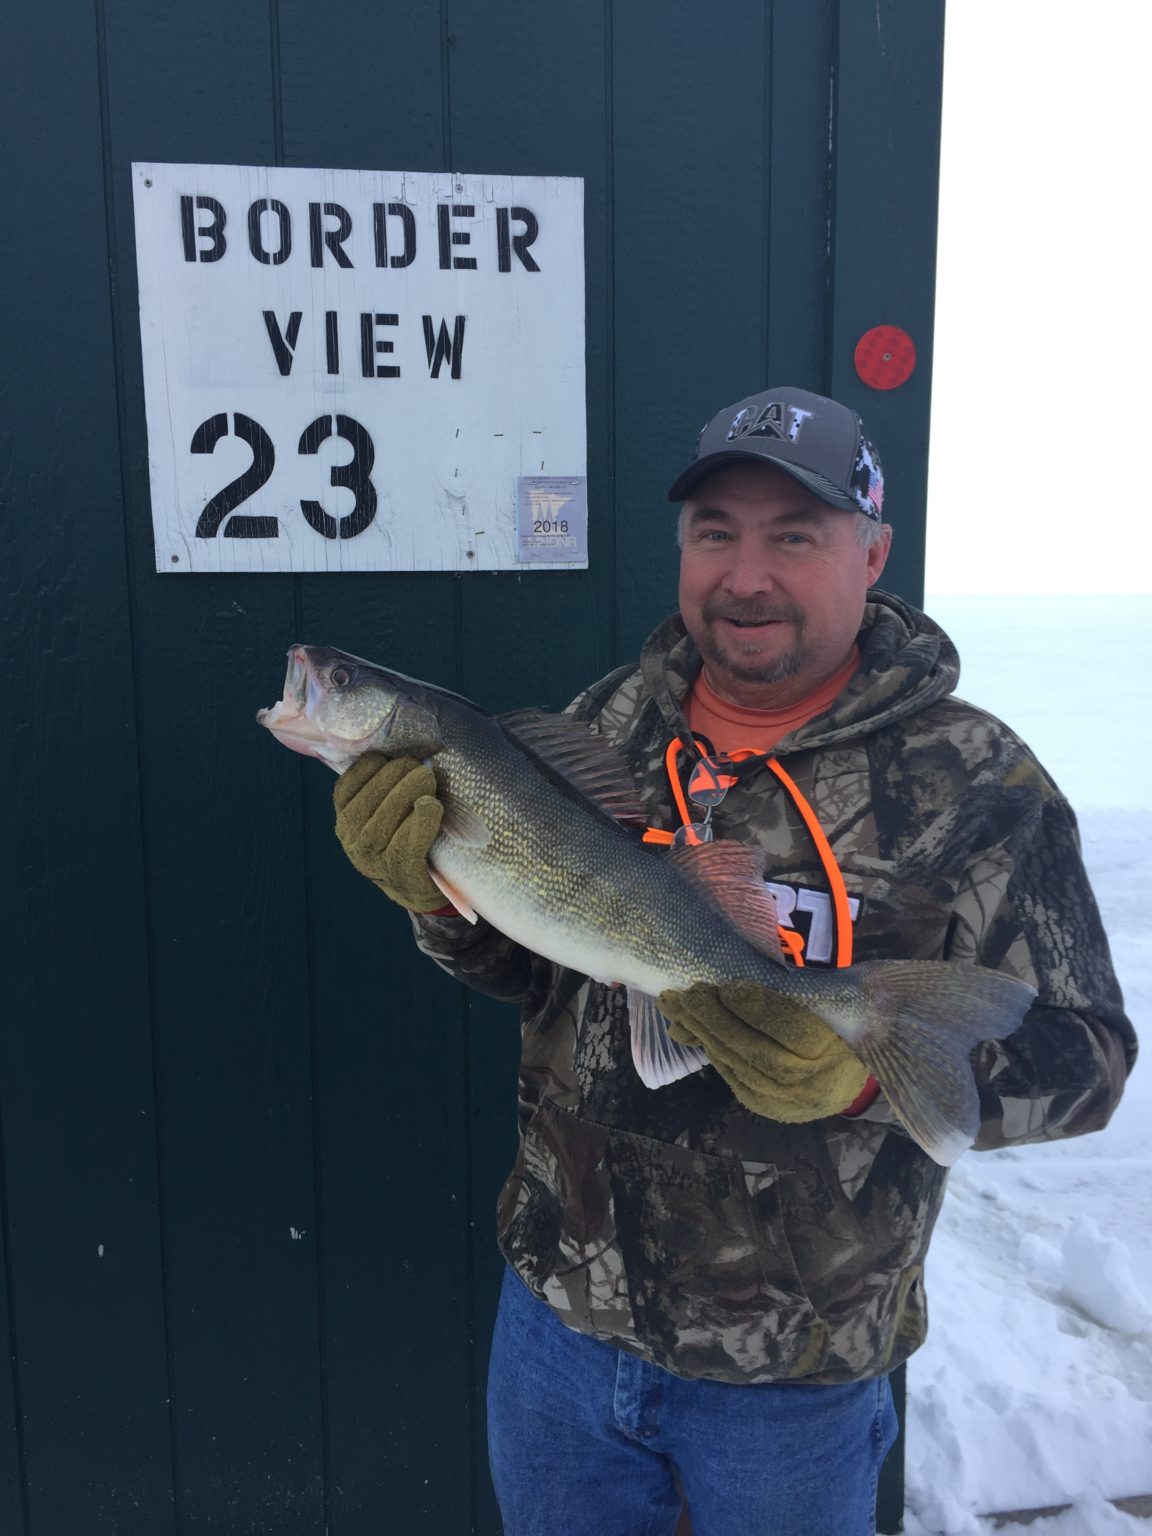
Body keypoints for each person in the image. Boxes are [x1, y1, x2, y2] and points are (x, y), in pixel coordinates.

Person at [332, 386, 1135, 1536]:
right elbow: (544, 971)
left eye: (792, 536)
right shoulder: (602, 724)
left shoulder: (978, 783)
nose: (745, 574)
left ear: (872, 552)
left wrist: (862, 1077)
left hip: (794, 1380)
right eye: (716, 533)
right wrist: (443, 900)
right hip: (559, 1325)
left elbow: (1091, 1058)